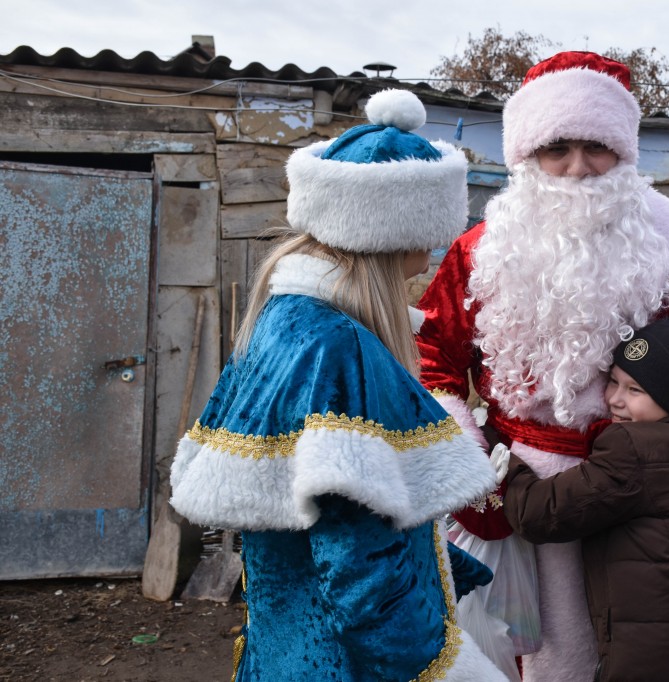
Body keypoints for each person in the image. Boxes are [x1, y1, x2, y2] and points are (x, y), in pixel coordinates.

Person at [170, 89, 507, 681]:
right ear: (389, 231)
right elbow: (360, 580)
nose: (431, 255)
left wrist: (443, 565)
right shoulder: (341, 348)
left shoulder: (282, 319)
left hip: (283, 653)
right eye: (427, 232)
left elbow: (324, 522)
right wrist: (456, 670)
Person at [415, 51, 669, 680]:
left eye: (597, 146)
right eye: (558, 148)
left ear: (626, 150)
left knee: (657, 648)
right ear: (527, 156)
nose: (578, 169)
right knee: (541, 657)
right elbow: (431, 363)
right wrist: (469, 469)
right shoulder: (480, 251)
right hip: (523, 490)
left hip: (651, 492)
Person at [501, 297, 669, 682]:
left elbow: (542, 513)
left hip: (655, 662)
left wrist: (507, 463)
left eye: (634, 389)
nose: (613, 400)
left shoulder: (635, 451)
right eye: (614, 381)